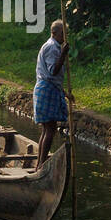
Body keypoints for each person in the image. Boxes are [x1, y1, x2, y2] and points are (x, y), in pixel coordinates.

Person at [33, 19, 74, 169]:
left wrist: (65, 93)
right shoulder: (52, 47)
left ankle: (39, 164)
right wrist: (63, 54)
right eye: (63, 33)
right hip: (46, 90)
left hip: (48, 88)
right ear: (55, 33)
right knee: (49, 129)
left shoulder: (53, 46)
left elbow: (52, 77)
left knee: (47, 129)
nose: (65, 36)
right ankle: (41, 164)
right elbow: (53, 71)